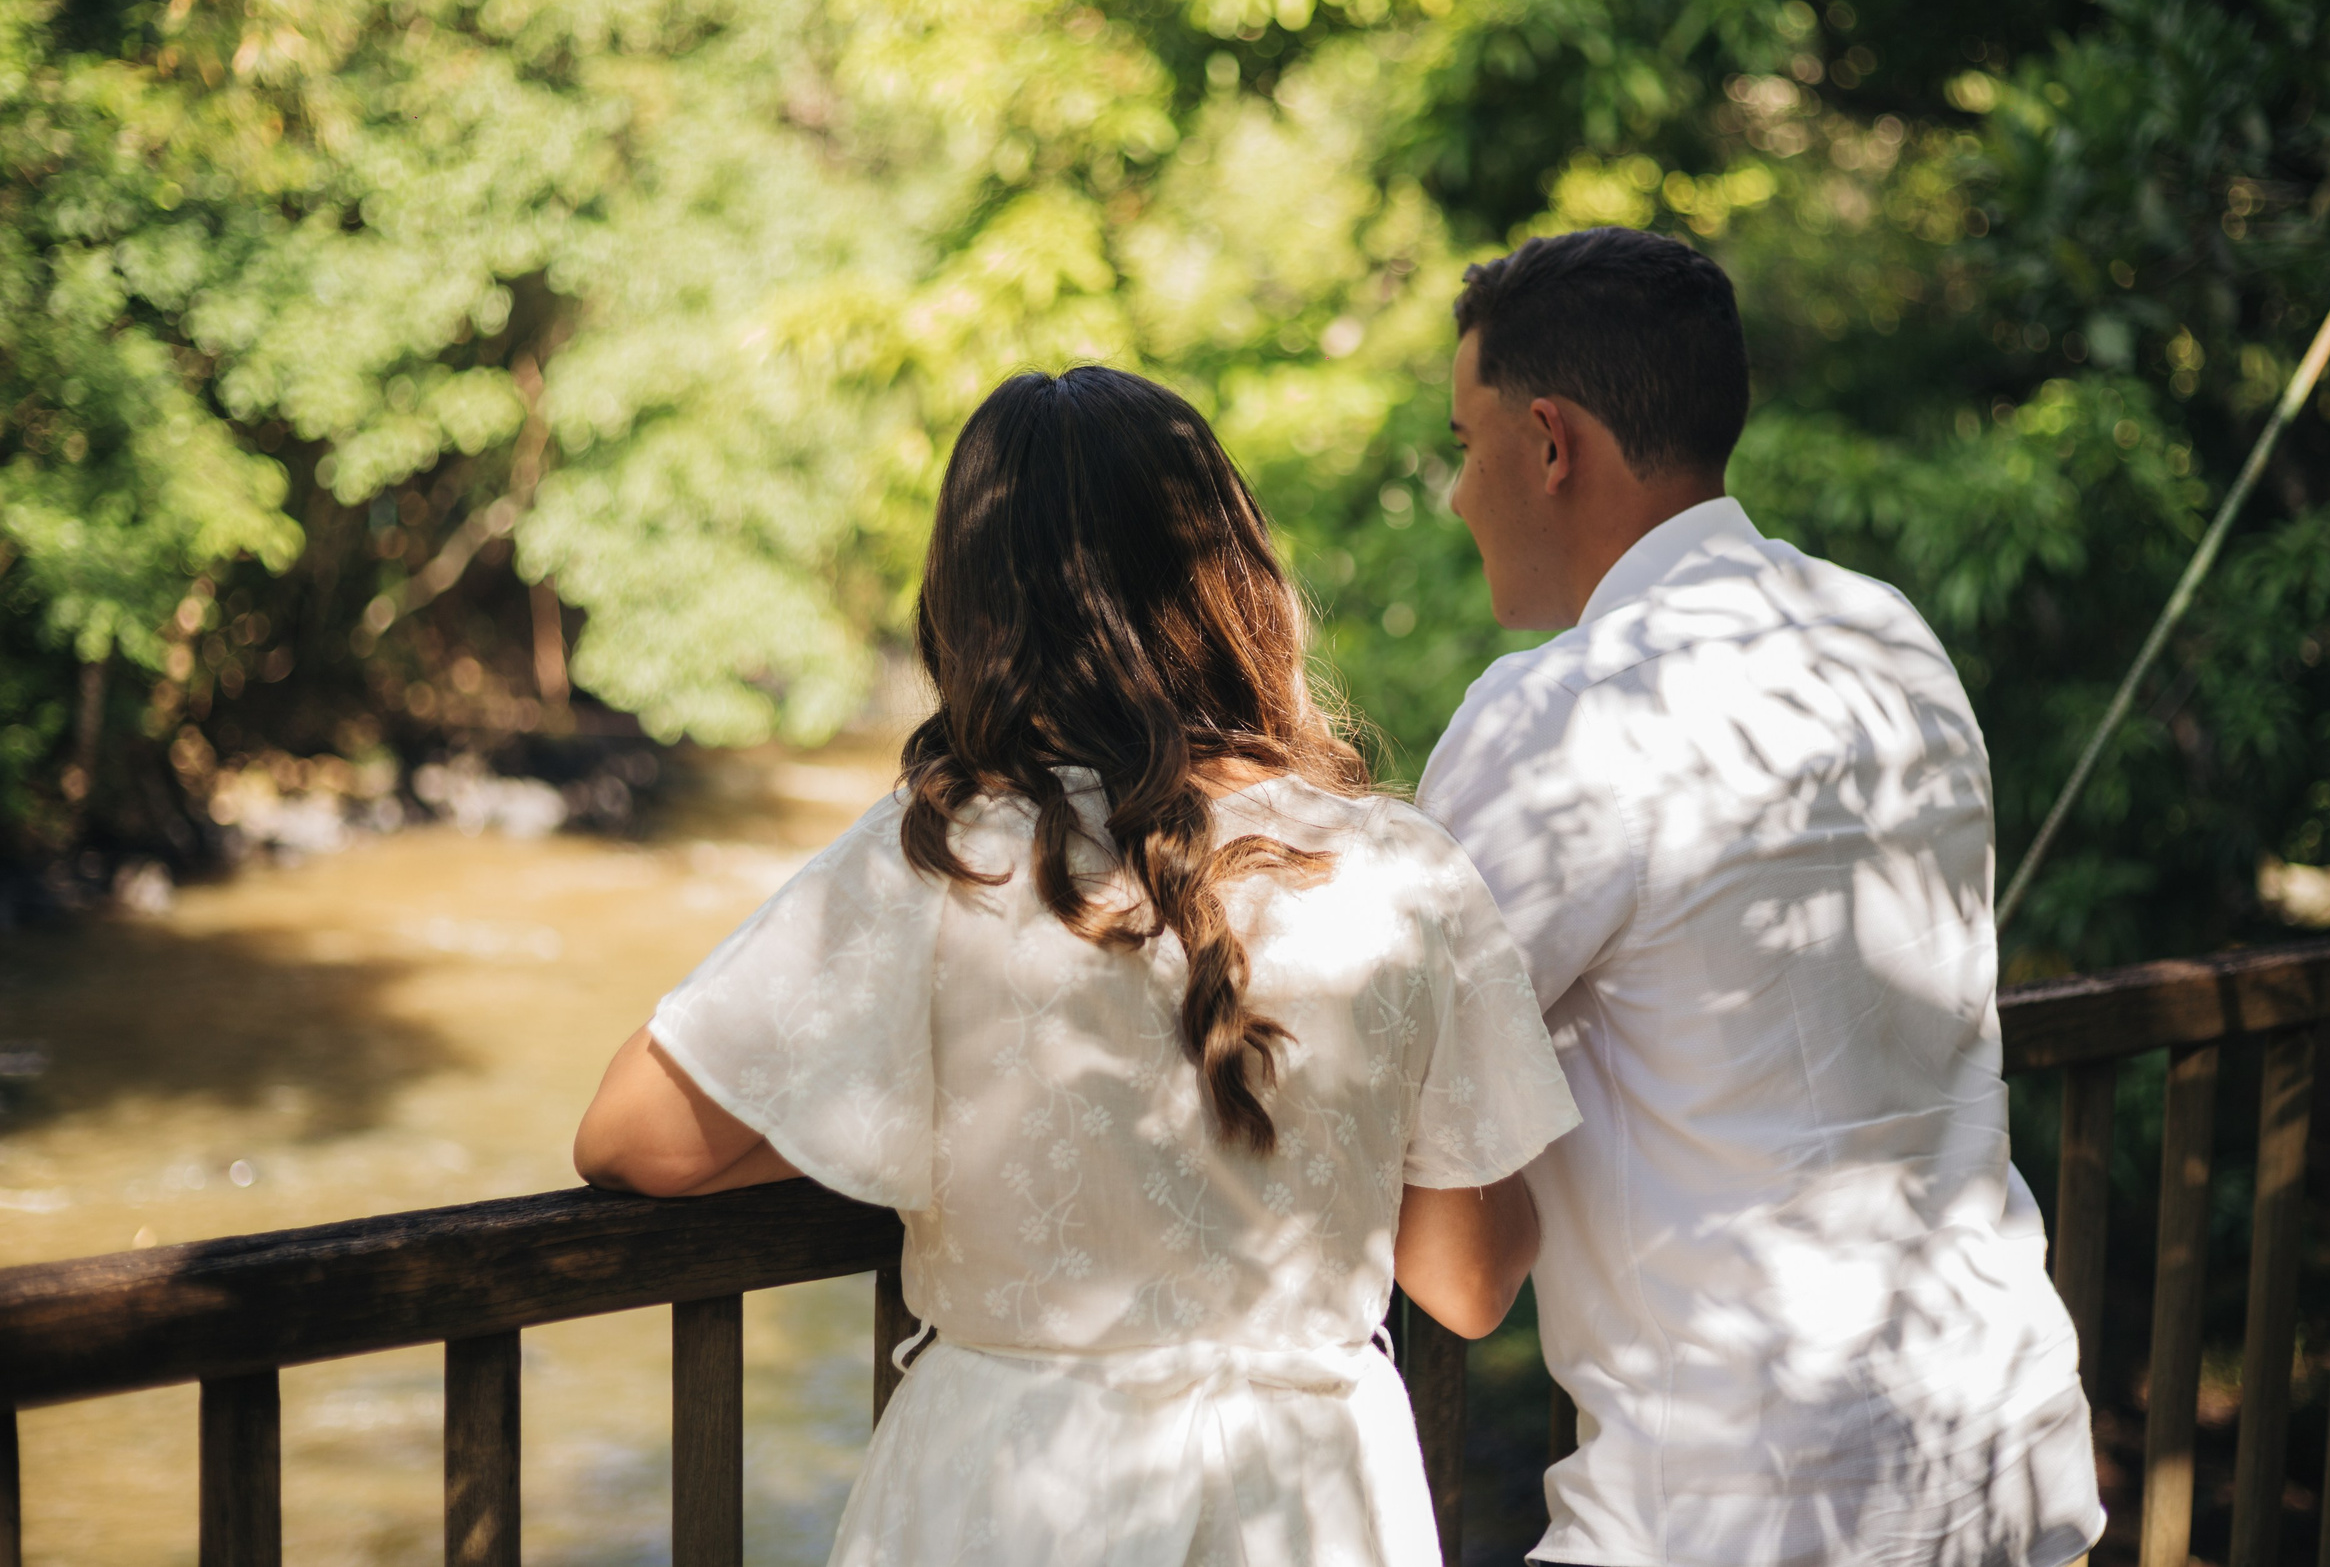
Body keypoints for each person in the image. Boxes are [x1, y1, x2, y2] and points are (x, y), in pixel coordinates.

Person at [573, 365, 1581, 1567]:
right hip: (1311, 1504)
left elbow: (631, 1138)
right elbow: (1468, 1286)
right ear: (1237, 587)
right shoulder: (1403, 868)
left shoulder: (947, 856)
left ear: (974, 610)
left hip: (1019, 1492)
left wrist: (899, 1106)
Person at [1418, 227, 2106, 1567]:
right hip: (2002, 1443)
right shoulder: (1887, 633)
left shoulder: (1559, 714)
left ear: (1548, 442)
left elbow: (1453, 1246)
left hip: (1745, 1502)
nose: (1455, 494)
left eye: (1461, 441)